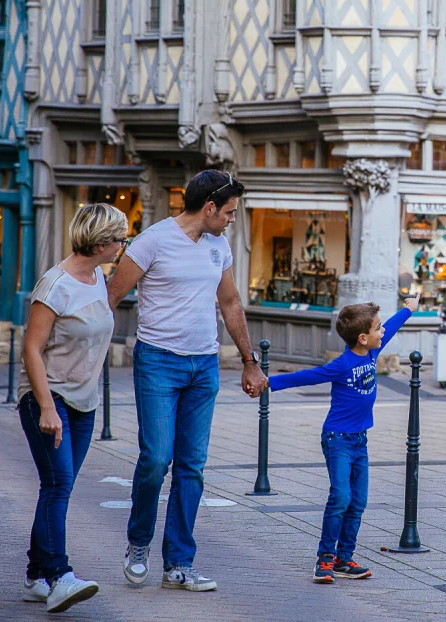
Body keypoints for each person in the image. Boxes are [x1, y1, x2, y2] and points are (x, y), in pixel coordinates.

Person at [107, 170, 267, 593]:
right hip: (158, 362)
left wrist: (250, 362)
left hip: (204, 366)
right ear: (209, 207)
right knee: (157, 460)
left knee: (192, 467)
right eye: (230, 212)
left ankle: (178, 563)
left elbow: (230, 302)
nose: (233, 219)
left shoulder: (219, 245)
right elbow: (110, 297)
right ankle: (138, 543)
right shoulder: (152, 241)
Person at [18, 203, 128, 612]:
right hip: (49, 399)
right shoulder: (54, 285)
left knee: (57, 487)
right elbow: (31, 347)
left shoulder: (99, 275)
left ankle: (34, 576)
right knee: (58, 484)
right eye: (119, 238)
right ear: (101, 242)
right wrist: (46, 407)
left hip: (85, 403)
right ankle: (59, 576)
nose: (123, 245)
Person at [267, 294, 420, 584]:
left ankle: (343, 558)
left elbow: (393, 324)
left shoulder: (372, 353)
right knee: (341, 497)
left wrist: (410, 307)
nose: (382, 331)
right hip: (337, 439)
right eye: (377, 329)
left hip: (359, 442)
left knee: (358, 501)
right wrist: (269, 383)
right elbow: (309, 376)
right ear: (363, 337)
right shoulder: (342, 364)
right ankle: (324, 559)